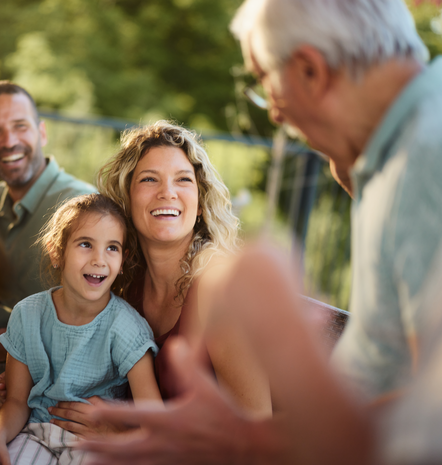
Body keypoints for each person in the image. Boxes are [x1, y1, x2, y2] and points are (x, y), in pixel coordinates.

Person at [76, 0, 442, 463]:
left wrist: (281, 344)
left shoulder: (433, 162)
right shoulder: (402, 155)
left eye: (264, 81)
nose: (275, 115)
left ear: (309, 70)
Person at [44, 121, 271, 436]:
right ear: (127, 199)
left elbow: (256, 438)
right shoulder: (122, 281)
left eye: (183, 180)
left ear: (201, 204)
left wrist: (125, 436)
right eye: (149, 179)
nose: (167, 192)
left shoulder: (220, 294)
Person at [0, 193, 161, 465]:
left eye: (112, 247)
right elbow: (16, 401)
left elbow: (154, 417)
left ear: (123, 260)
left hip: (96, 441)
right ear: (56, 251)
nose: (99, 259)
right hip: (34, 432)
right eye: (85, 244)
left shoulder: (126, 327)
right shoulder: (27, 314)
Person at [0, 81, 96, 327]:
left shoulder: (83, 206)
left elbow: (90, 318)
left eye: (20, 126)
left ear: (42, 132)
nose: (8, 141)